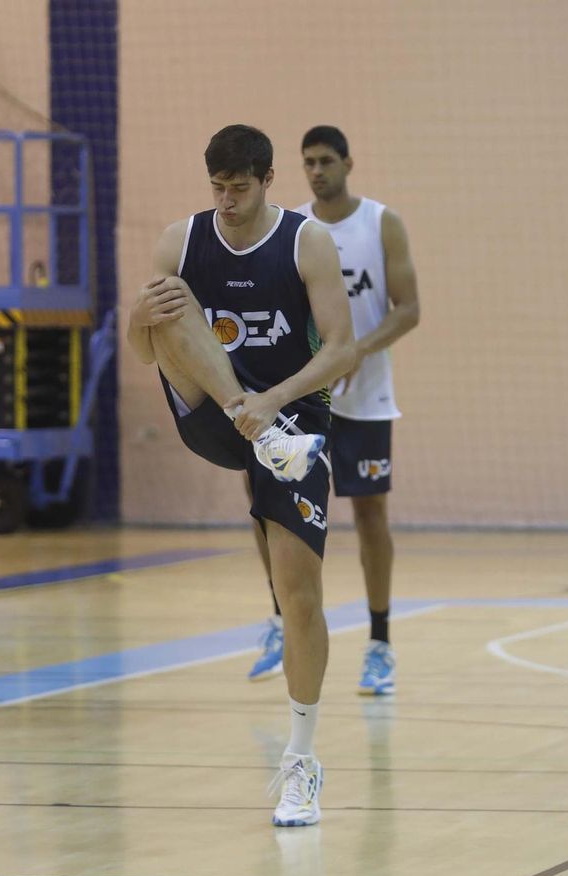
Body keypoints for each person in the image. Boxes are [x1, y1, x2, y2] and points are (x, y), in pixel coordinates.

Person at [128, 124, 355, 826]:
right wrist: (138, 318)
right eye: (216, 188)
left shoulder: (306, 241)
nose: (226, 201)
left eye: (239, 188)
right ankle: (253, 421)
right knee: (164, 303)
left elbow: (343, 351)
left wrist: (275, 401)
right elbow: (145, 350)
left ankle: (301, 762)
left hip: (291, 418)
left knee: (301, 599)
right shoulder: (183, 239)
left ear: (266, 180)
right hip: (222, 413)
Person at [246, 126, 420, 698]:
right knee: (270, 513)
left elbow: (409, 309)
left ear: (348, 162)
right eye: (308, 163)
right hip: (302, 400)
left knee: (370, 517)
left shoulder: (380, 223)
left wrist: (355, 351)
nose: (316, 171)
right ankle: (279, 622)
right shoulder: (293, 229)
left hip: (365, 399)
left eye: (326, 161)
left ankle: (380, 643)